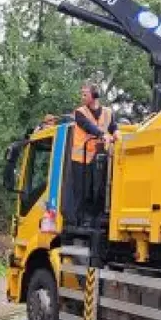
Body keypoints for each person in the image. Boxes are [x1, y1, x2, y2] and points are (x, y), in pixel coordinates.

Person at [65, 80, 118, 226]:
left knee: (100, 189)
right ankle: (81, 221)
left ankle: (97, 219)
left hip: (100, 156)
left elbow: (113, 126)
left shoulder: (108, 112)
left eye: (85, 94)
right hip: (81, 158)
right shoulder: (79, 112)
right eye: (82, 94)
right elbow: (88, 127)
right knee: (83, 191)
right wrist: (103, 134)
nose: (82, 97)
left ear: (94, 95)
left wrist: (117, 133)